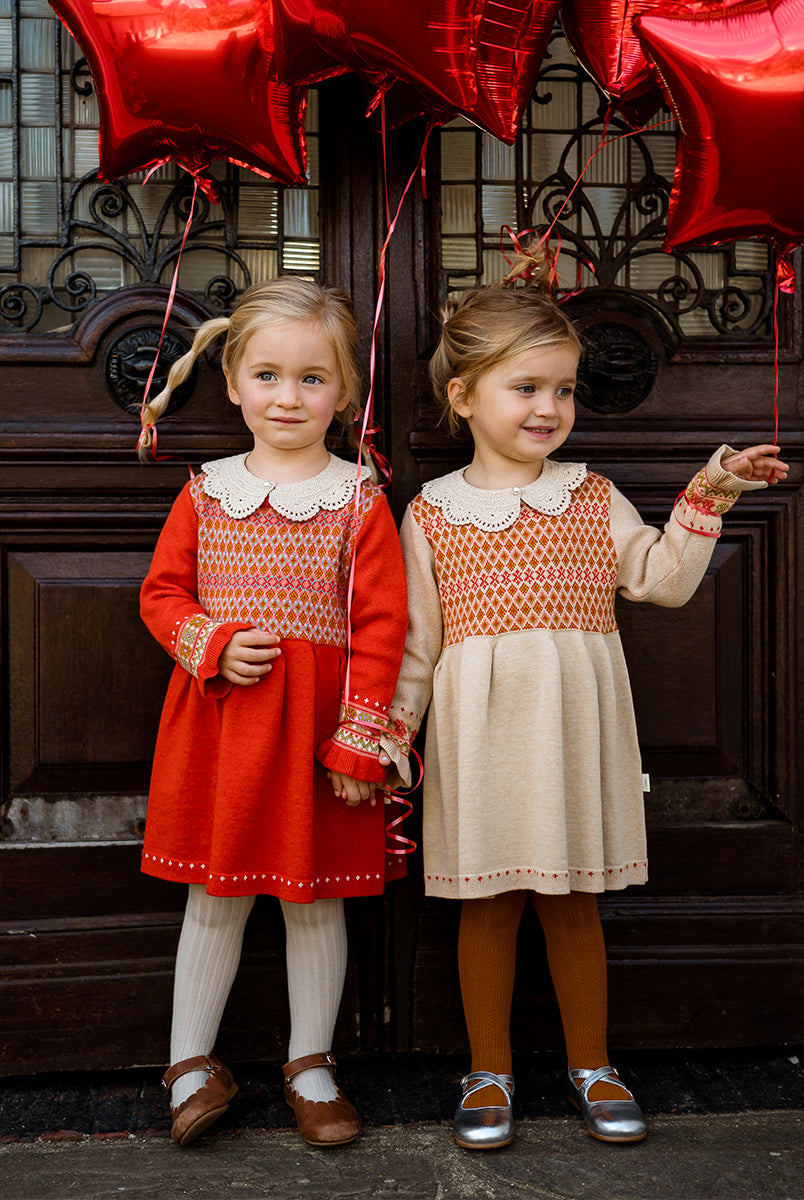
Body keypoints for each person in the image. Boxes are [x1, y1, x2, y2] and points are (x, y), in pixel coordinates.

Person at [380, 248, 788, 1150]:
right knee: (487, 903)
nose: (549, 408)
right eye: (526, 388)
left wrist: (712, 491)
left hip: (573, 733)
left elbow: (663, 581)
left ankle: (592, 1062)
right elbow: (417, 643)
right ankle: (488, 1069)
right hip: (480, 740)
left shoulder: (591, 494)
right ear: (464, 398)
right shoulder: (432, 512)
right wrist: (388, 738)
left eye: (563, 390)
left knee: (572, 901)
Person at [138, 278, 408, 1148]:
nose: (288, 397)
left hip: (317, 737)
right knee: (213, 896)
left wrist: (361, 742)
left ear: (345, 393)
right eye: (267, 376)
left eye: (312, 378)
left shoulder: (359, 498)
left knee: (314, 900)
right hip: (222, 729)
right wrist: (211, 644)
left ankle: (311, 1065)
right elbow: (162, 595)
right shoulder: (205, 492)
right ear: (232, 384)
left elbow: (383, 626)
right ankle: (189, 1065)